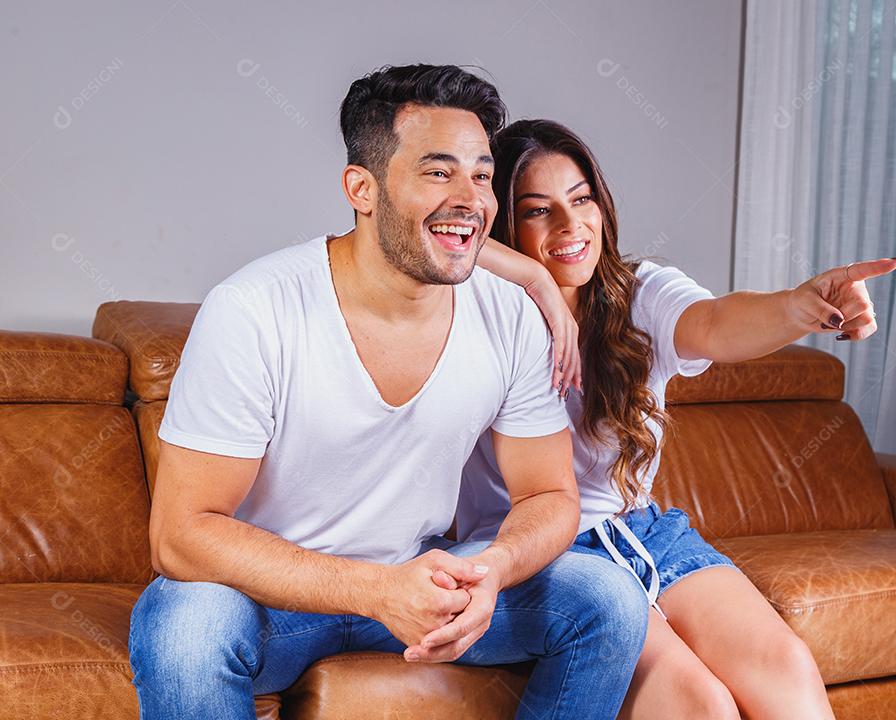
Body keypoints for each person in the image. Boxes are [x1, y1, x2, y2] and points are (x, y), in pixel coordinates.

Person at [127, 67, 649, 720]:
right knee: (185, 624)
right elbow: (180, 535)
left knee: (606, 598)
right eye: (438, 172)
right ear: (362, 189)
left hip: (420, 580)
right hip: (269, 603)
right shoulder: (254, 310)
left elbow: (549, 496)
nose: (471, 200)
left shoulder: (510, 316)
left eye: (482, 176)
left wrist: (495, 568)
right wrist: (375, 591)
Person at [460, 118, 896, 719]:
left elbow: (718, 323)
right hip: (546, 554)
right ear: (503, 224)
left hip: (644, 534)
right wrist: (533, 278)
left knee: (787, 667)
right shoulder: (469, 311)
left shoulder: (640, 293)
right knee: (699, 704)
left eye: (582, 199)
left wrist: (804, 306)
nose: (571, 226)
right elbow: (405, 223)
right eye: (538, 210)